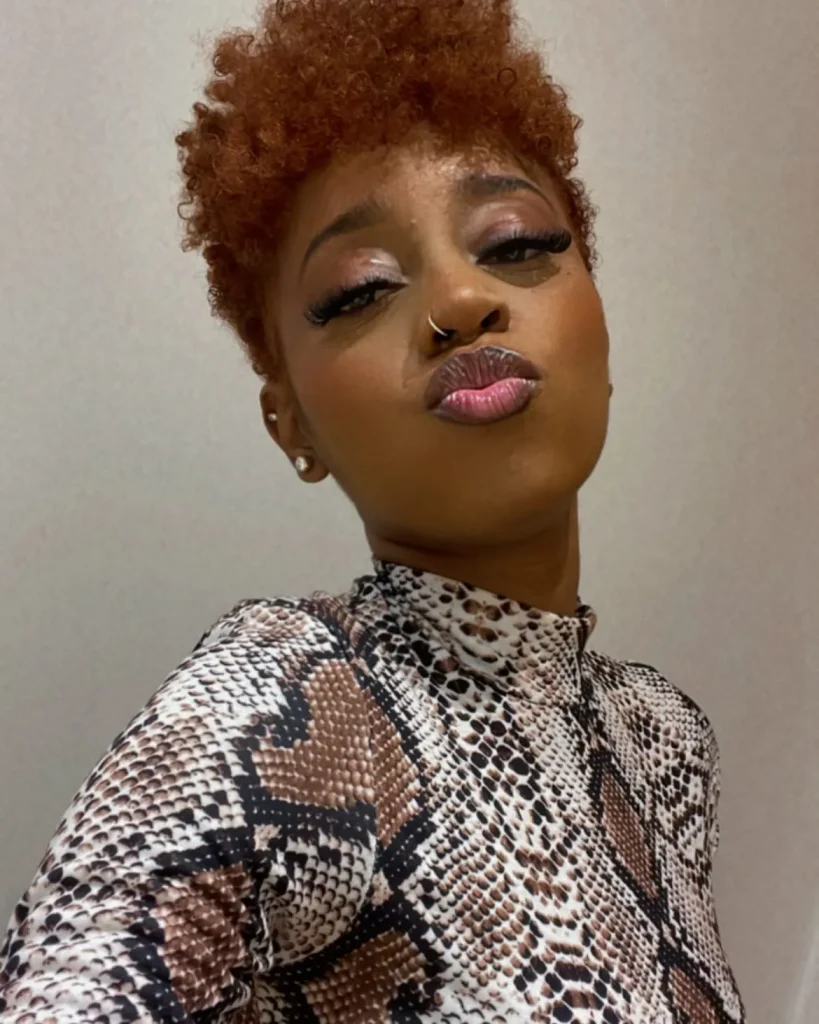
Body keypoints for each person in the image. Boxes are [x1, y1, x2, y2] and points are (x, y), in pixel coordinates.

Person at [0, 0, 745, 1020]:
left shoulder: (666, 740)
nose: (461, 302)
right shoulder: (281, 700)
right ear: (292, 423)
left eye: (517, 242)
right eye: (360, 290)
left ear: (599, 324)